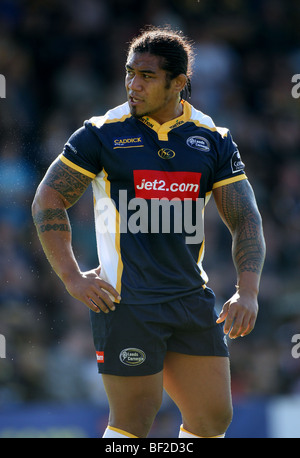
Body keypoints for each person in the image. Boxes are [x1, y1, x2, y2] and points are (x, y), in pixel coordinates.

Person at [32, 26, 266, 438]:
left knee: (213, 419)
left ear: (179, 84)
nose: (132, 85)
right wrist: (71, 276)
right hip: (127, 303)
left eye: (146, 76)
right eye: (129, 73)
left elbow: (245, 218)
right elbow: (48, 200)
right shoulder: (101, 133)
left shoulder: (213, 139)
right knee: (133, 422)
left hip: (189, 298)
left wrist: (247, 290)